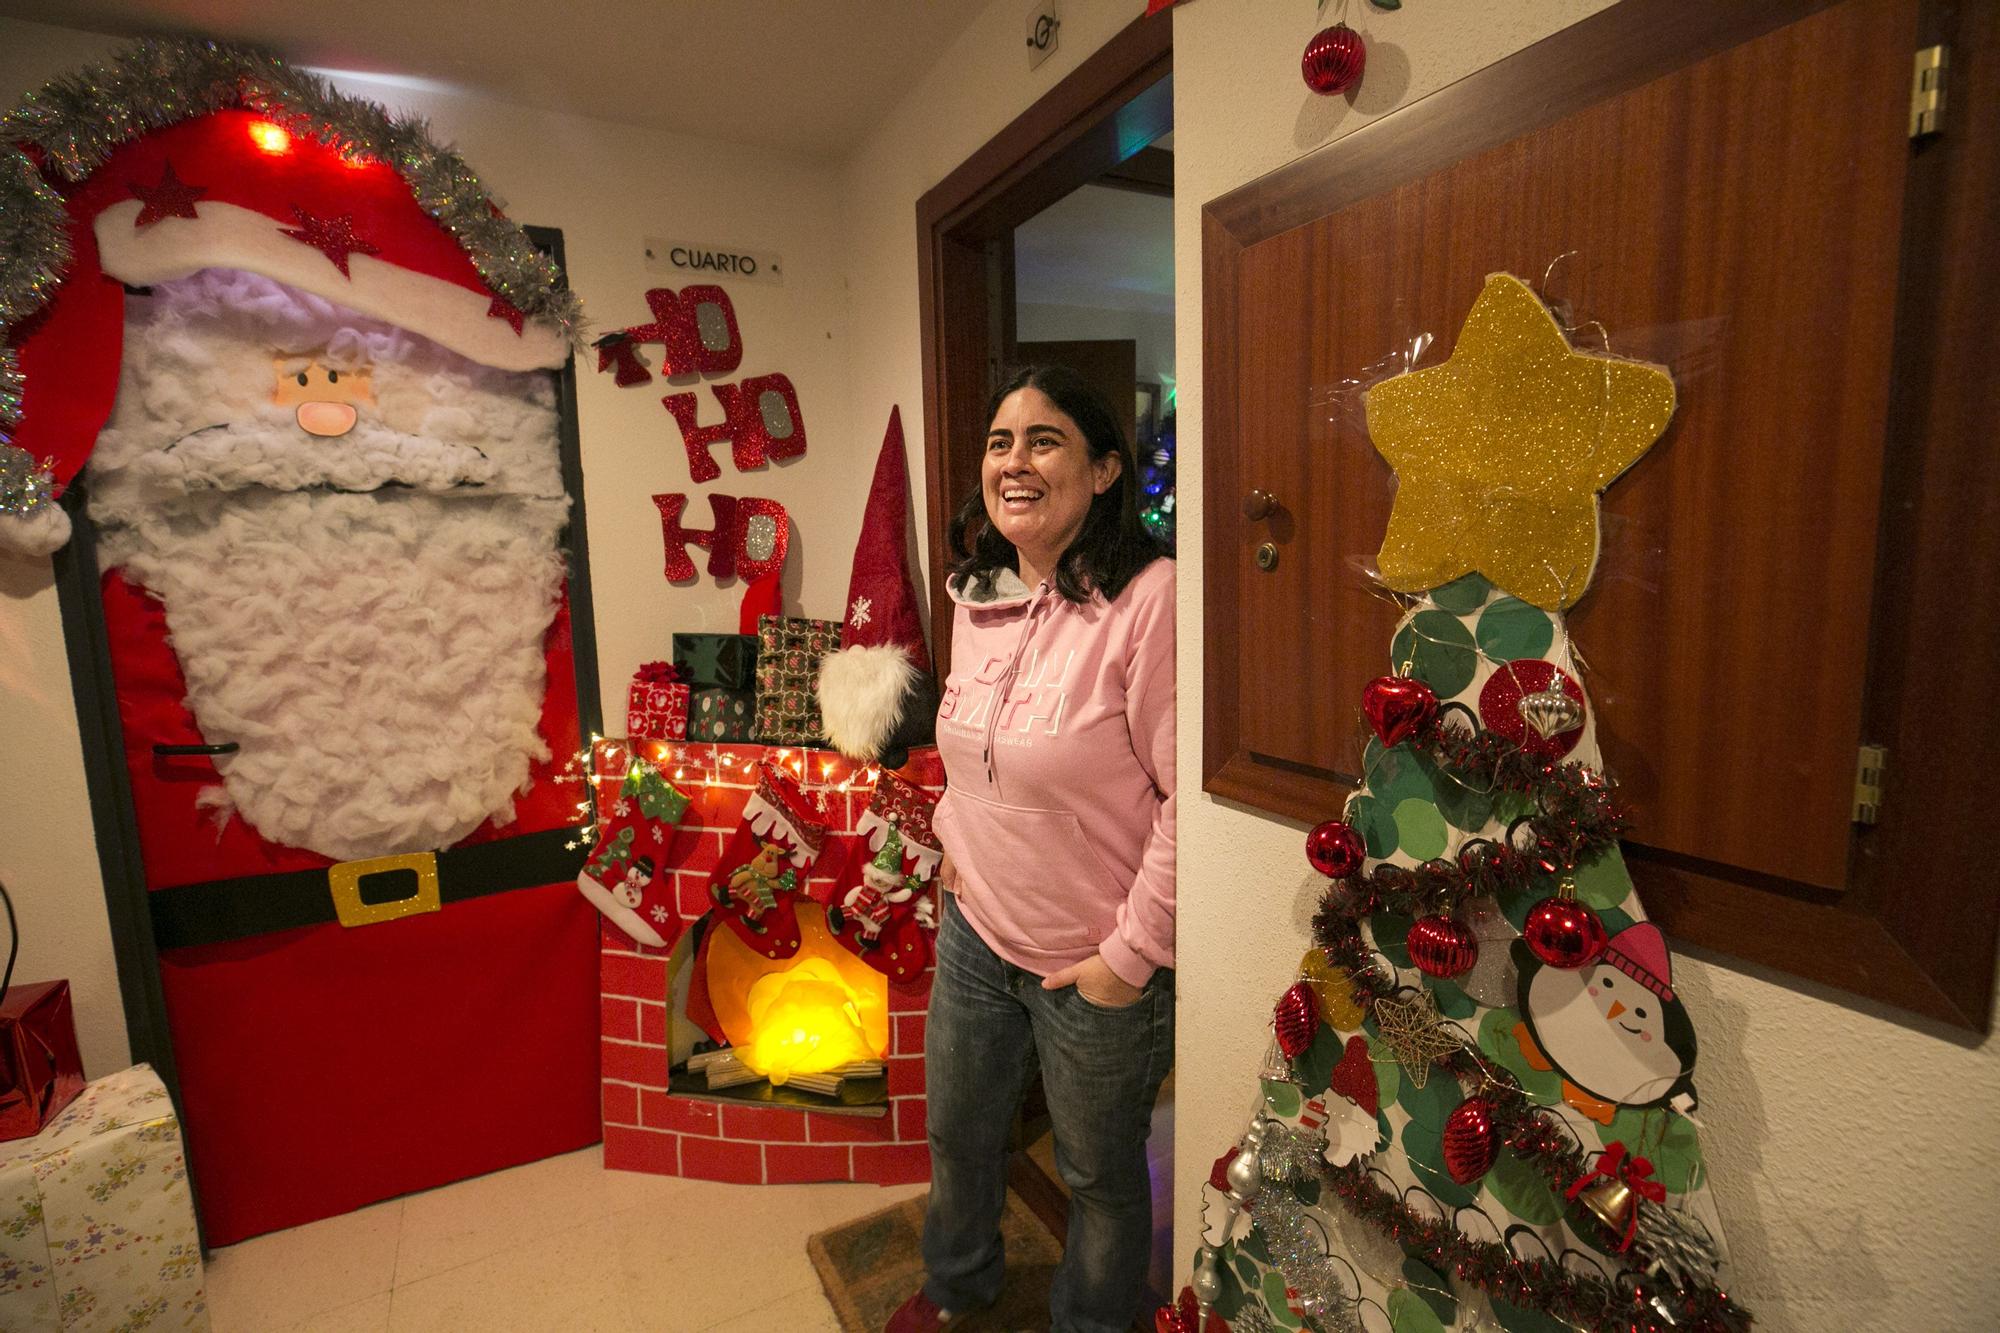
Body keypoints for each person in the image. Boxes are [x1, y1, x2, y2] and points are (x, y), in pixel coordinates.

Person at [888, 365, 1176, 1333]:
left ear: (1101, 471)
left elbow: (1185, 802)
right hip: (976, 934)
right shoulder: (977, 595)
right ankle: (954, 1287)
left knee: (1096, 1179)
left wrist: (1125, 959)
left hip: (1090, 961)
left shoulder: (1148, 600)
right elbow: (968, 756)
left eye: (1042, 440)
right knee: (960, 1139)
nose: (1013, 462)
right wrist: (951, 852)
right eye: (999, 441)